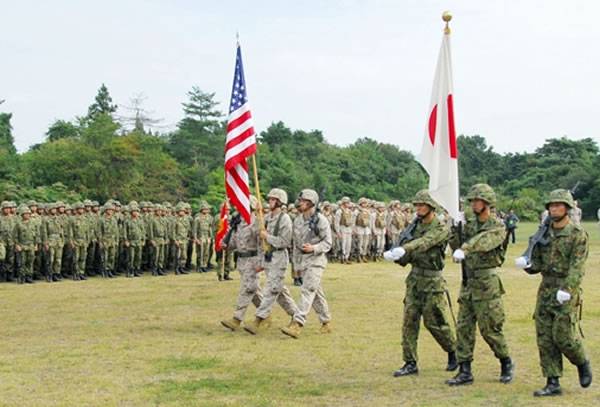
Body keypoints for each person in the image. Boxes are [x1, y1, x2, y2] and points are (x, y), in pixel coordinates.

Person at [516, 189, 592, 396]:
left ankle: (582, 362)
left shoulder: (577, 235)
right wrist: (527, 264)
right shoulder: (543, 232)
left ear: (567, 208)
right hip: (546, 289)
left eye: (558, 205)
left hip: (565, 290)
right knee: (545, 337)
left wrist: (568, 289)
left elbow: (578, 267)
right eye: (551, 205)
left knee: (564, 336)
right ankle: (552, 381)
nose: (554, 208)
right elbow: (538, 264)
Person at [447, 183, 514, 386]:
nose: (474, 204)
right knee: (464, 327)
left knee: (490, 329)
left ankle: (506, 362)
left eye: (478, 201)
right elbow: (456, 246)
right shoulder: (470, 225)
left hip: (487, 284)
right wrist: (455, 229)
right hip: (469, 281)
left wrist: (465, 248)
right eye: (473, 201)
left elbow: (484, 242)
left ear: (488, 203)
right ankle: (464, 369)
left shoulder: (497, 226)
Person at [385, 190, 457, 377]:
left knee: (435, 323)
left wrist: (404, 248)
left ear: (431, 207)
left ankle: (453, 351)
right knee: (409, 321)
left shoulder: (440, 227)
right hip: (415, 279)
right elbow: (407, 252)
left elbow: (426, 242)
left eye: (421, 205)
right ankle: (410, 362)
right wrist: (396, 254)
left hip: (432, 280)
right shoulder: (413, 226)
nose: (417, 208)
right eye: (416, 205)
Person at [245, 188, 299, 335]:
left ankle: (259, 319)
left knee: (270, 288)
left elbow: (284, 241)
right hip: (268, 257)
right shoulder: (267, 217)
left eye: (273, 199)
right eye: (269, 199)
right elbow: (256, 230)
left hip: (279, 257)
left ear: (280, 202)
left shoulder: (285, 219)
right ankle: (297, 315)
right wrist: (257, 213)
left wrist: (267, 236)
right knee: (279, 290)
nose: (269, 201)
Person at [281, 189, 332, 339]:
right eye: (300, 200)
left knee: (307, 290)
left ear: (311, 203)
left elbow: (328, 242)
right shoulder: (297, 220)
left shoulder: (321, 220)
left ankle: (297, 323)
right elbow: (296, 244)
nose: (300, 203)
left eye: (303, 201)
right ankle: (326, 321)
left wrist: (314, 248)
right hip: (303, 261)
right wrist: (296, 266)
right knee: (315, 292)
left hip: (316, 260)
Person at [220, 196, 264, 331]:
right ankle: (266, 314)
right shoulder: (238, 222)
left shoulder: (257, 222)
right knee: (253, 290)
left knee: (247, 288)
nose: (237, 208)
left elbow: (262, 244)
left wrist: (261, 262)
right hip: (242, 261)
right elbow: (234, 243)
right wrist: (226, 245)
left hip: (253, 260)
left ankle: (237, 318)